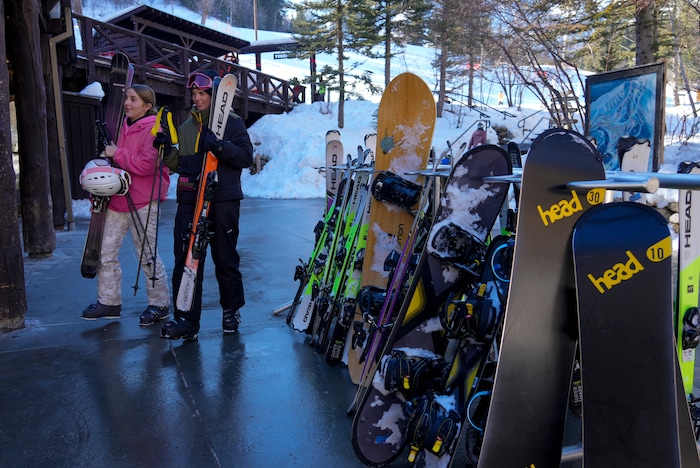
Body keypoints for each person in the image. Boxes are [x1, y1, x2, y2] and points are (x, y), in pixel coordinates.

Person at [161, 70, 254, 340]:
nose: (197, 98)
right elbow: (180, 165)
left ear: (215, 96)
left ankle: (230, 310)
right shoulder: (187, 127)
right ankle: (187, 318)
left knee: (225, 257)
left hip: (223, 199)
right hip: (191, 199)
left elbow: (246, 157)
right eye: (194, 94)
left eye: (202, 93)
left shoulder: (234, 123)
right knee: (186, 258)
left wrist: (219, 145)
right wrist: (167, 151)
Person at [82, 84, 171, 325]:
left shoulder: (154, 129)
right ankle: (109, 302)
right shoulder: (120, 126)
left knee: (147, 254)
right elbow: (111, 162)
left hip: (143, 199)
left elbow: (145, 165)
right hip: (117, 198)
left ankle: (159, 303)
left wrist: (117, 152)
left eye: (133, 99)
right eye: (127, 98)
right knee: (106, 251)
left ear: (147, 106)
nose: (127, 103)